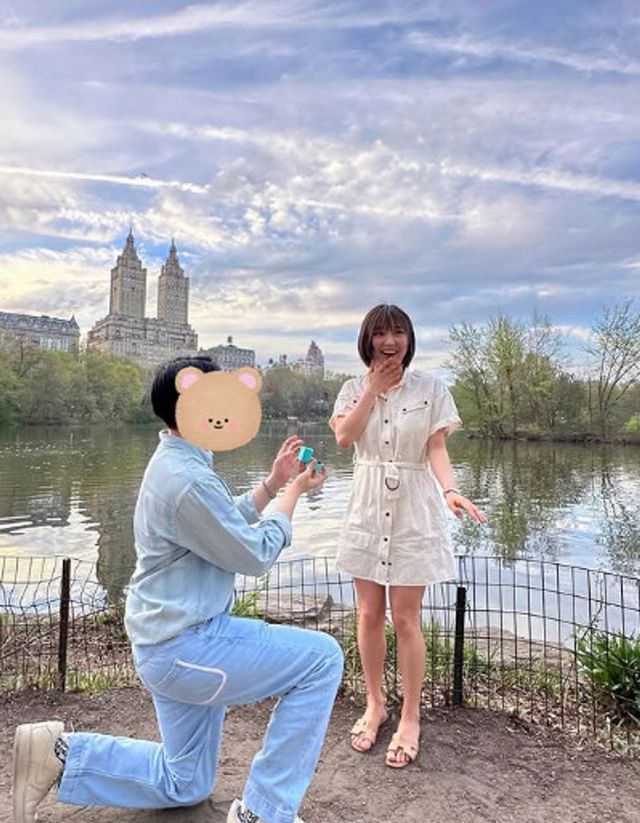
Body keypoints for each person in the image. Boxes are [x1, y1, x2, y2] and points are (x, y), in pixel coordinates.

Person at [13, 355, 343, 823]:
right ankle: (264, 813)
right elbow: (253, 554)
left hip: (168, 643)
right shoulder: (187, 479)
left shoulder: (179, 463)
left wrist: (273, 483)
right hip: (189, 645)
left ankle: (60, 751)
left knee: (185, 781)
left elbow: (218, 525)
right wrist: (292, 495)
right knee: (322, 659)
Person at [329, 304, 485, 769]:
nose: (390, 341)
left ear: (409, 339)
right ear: (368, 340)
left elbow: (436, 447)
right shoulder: (351, 389)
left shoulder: (431, 389)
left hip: (414, 508)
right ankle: (375, 704)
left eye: (398, 332)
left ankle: (411, 716)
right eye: (380, 333)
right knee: (368, 613)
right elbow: (344, 438)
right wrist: (372, 390)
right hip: (367, 505)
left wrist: (451, 490)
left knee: (406, 617)